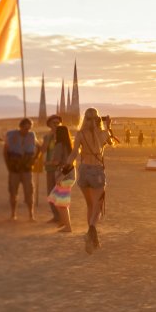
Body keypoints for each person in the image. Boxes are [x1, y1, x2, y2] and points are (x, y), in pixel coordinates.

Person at [65, 108, 113, 253]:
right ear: (98, 119)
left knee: (90, 205)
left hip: (84, 171)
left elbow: (74, 153)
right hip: (97, 171)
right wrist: (107, 126)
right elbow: (110, 142)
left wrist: (65, 168)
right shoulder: (102, 133)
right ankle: (91, 231)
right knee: (98, 206)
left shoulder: (80, 134)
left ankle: (91, 238)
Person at [3, 117, 39, 221]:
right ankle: (13, 214)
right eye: (25, 128)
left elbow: (39, 147)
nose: (27, 130)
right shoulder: (11, 135)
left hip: (27, 168)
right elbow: (5, 150)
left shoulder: (31, 136)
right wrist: (8, 165)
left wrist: (34, 159)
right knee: (13, 191)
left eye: (29, 128)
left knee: (29, 191)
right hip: (14, 168)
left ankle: (31, 215)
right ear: (20, 126)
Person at [47, 125, 76, 232]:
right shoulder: (69, 145)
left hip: (63, 176)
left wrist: (48, 162)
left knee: (61, 203)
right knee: (55, 199)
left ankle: (68, 227)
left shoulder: (59, 145)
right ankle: (64, 222)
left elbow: (56, 161)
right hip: (70, 175)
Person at [42, 114, 63, 224]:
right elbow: (43, 150)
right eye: (54, 123)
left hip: (60, 169)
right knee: (50, 193)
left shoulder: (63, 136)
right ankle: (56, 216)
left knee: (60, 193)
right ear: (49, 124)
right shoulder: (47, 137)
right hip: (50, 168)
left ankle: (62, 217)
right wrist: (50, 137)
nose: (56, 125)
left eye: (58, 123)